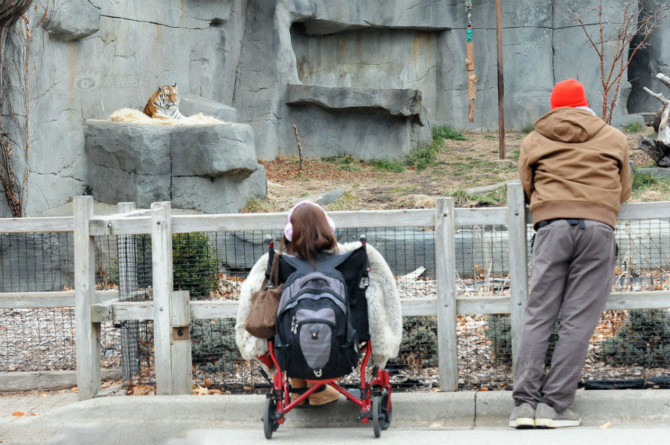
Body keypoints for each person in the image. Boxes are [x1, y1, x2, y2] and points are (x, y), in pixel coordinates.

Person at [510, 78, 632, 428]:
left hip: (551, 230)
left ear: (554, 107)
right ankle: (554, 407)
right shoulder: (614, 137)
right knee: (577, 320)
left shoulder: (534, 139)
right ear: (585, 104)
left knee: (539, 315)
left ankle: (524, 406)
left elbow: (527, 186)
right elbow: (623, 190)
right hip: (597, 231)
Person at [235, 200, 402, 406]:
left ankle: (300, 390)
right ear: (327, 227)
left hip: (290, 344)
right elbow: (383, 295)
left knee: (291, 324)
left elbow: (250, 302)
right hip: (344, 340)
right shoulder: (352, 258)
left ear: (290, 232)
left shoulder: (280, 262)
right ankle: (319, 390)